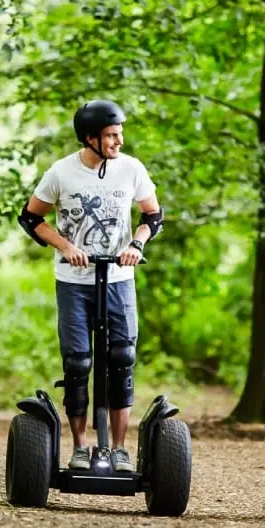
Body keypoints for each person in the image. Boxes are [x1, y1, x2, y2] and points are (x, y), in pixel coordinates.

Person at [18, 99, 164, 473]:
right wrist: (65, 246)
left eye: (120, 134)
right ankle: (80, 448)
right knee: (79, 362)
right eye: (111, 135)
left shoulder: (131, 169)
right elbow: (31, 218)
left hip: (118, 279)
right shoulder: (61, 172)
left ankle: (118, 449)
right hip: (74, 282)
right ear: (90, 138)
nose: (119, 141)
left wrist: (137, 244)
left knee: (121, 359)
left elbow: (152, 214)